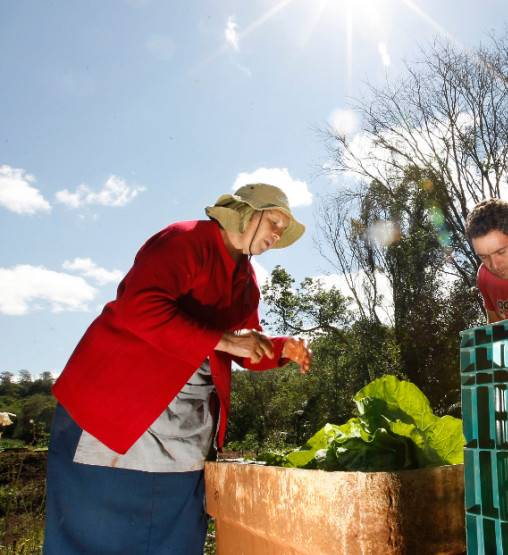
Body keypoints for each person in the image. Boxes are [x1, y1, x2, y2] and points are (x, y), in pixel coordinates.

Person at [44, 183, 313, 553]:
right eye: (274, 222)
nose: (278, 234)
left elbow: (247, 346)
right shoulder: (184, 240)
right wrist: (226, 339)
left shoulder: (247, 282)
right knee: (95, 537)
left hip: (186, 430)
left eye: (283, 230)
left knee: (175, 538)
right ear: (247, 214)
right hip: (117, 413)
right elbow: (140, 307)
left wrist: (284, 349)